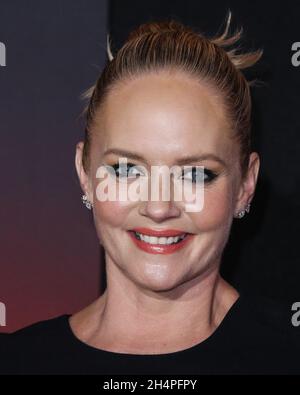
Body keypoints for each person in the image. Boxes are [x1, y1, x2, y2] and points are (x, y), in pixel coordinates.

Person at [0, 12, 299, 375]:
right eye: (127, 169)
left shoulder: (286, 353)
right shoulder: (18, 361)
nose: (159, 207)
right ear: (85, 173)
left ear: (245, 185)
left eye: (195, 173)